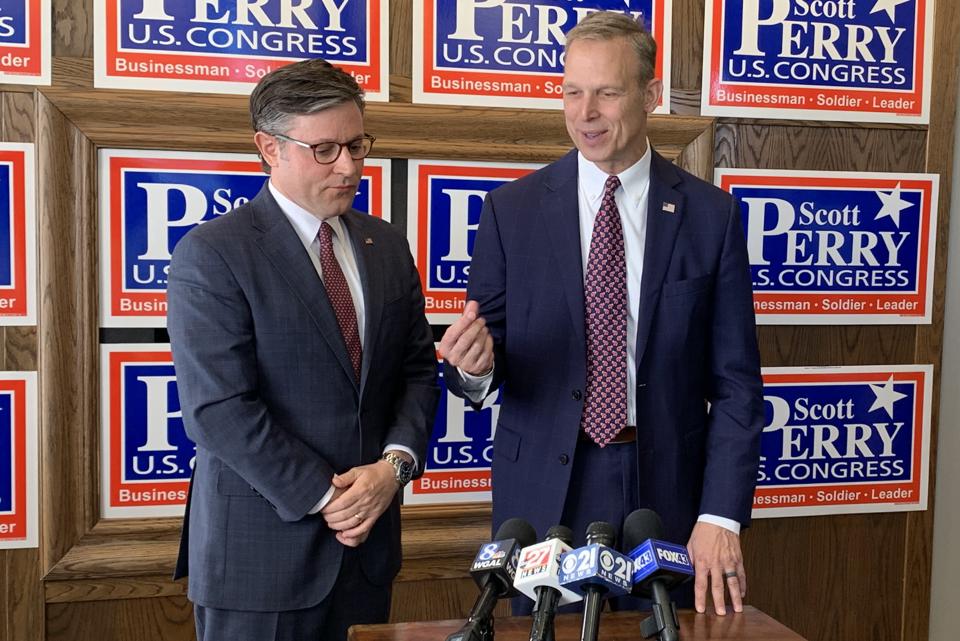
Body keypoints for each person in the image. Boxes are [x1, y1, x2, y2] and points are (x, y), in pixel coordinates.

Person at [438, 11, 764, 616]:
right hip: (543, 493)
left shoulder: (711, 216)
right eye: (572, 92)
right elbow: (486, 362)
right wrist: (475, 368)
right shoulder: (512, 212)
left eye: (607, 93)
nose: (584, 113)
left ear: (651, 96)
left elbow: (738, 385)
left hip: (666, 490)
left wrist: (720, 516)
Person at [167, 59, 439, 641]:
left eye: (357, 145)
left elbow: (417, 371)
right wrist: (327, 497)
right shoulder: (214, 253)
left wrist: (392, 471)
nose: (348, 166)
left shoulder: (386, 245)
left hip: (367, 554)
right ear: (269, 147)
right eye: (325, 150)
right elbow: (218, 410)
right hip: (259, 563)